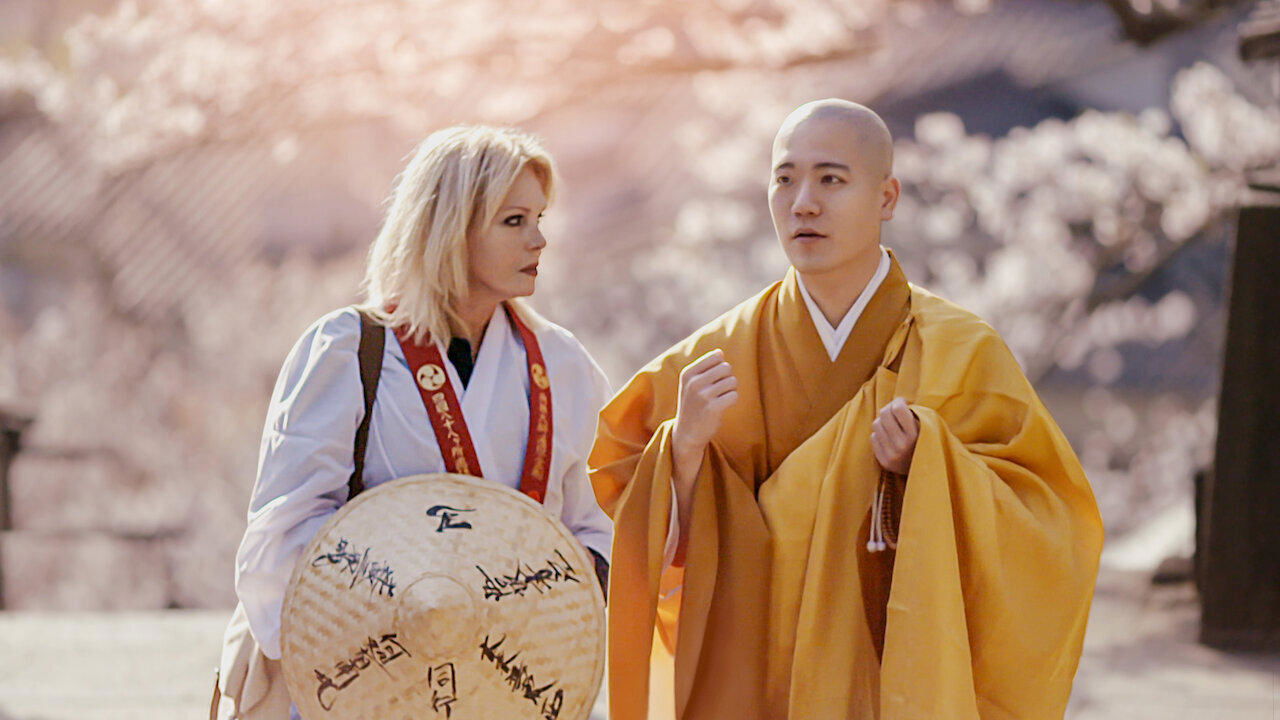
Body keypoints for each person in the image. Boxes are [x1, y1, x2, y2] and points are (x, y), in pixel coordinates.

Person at [590, 100, 1103, 720]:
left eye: (831, 179)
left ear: (887, 198)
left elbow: (1052, 524)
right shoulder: (719, 354)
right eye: (785, 179)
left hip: (893, 669)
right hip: (759, 676)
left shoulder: (962, 350)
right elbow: (619, 472)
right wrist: (683, 452)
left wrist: (932, 466)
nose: (803, 203)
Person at [220, 125, 613, 719]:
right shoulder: (350, 349)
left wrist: (550, 584)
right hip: (363, 677)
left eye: (539, 218)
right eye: (513, 221)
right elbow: (287, 526)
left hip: (504, 678)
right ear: (450, 227)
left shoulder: (562, 363)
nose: (539, 239)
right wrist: (414, 590)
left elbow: (595, 520)